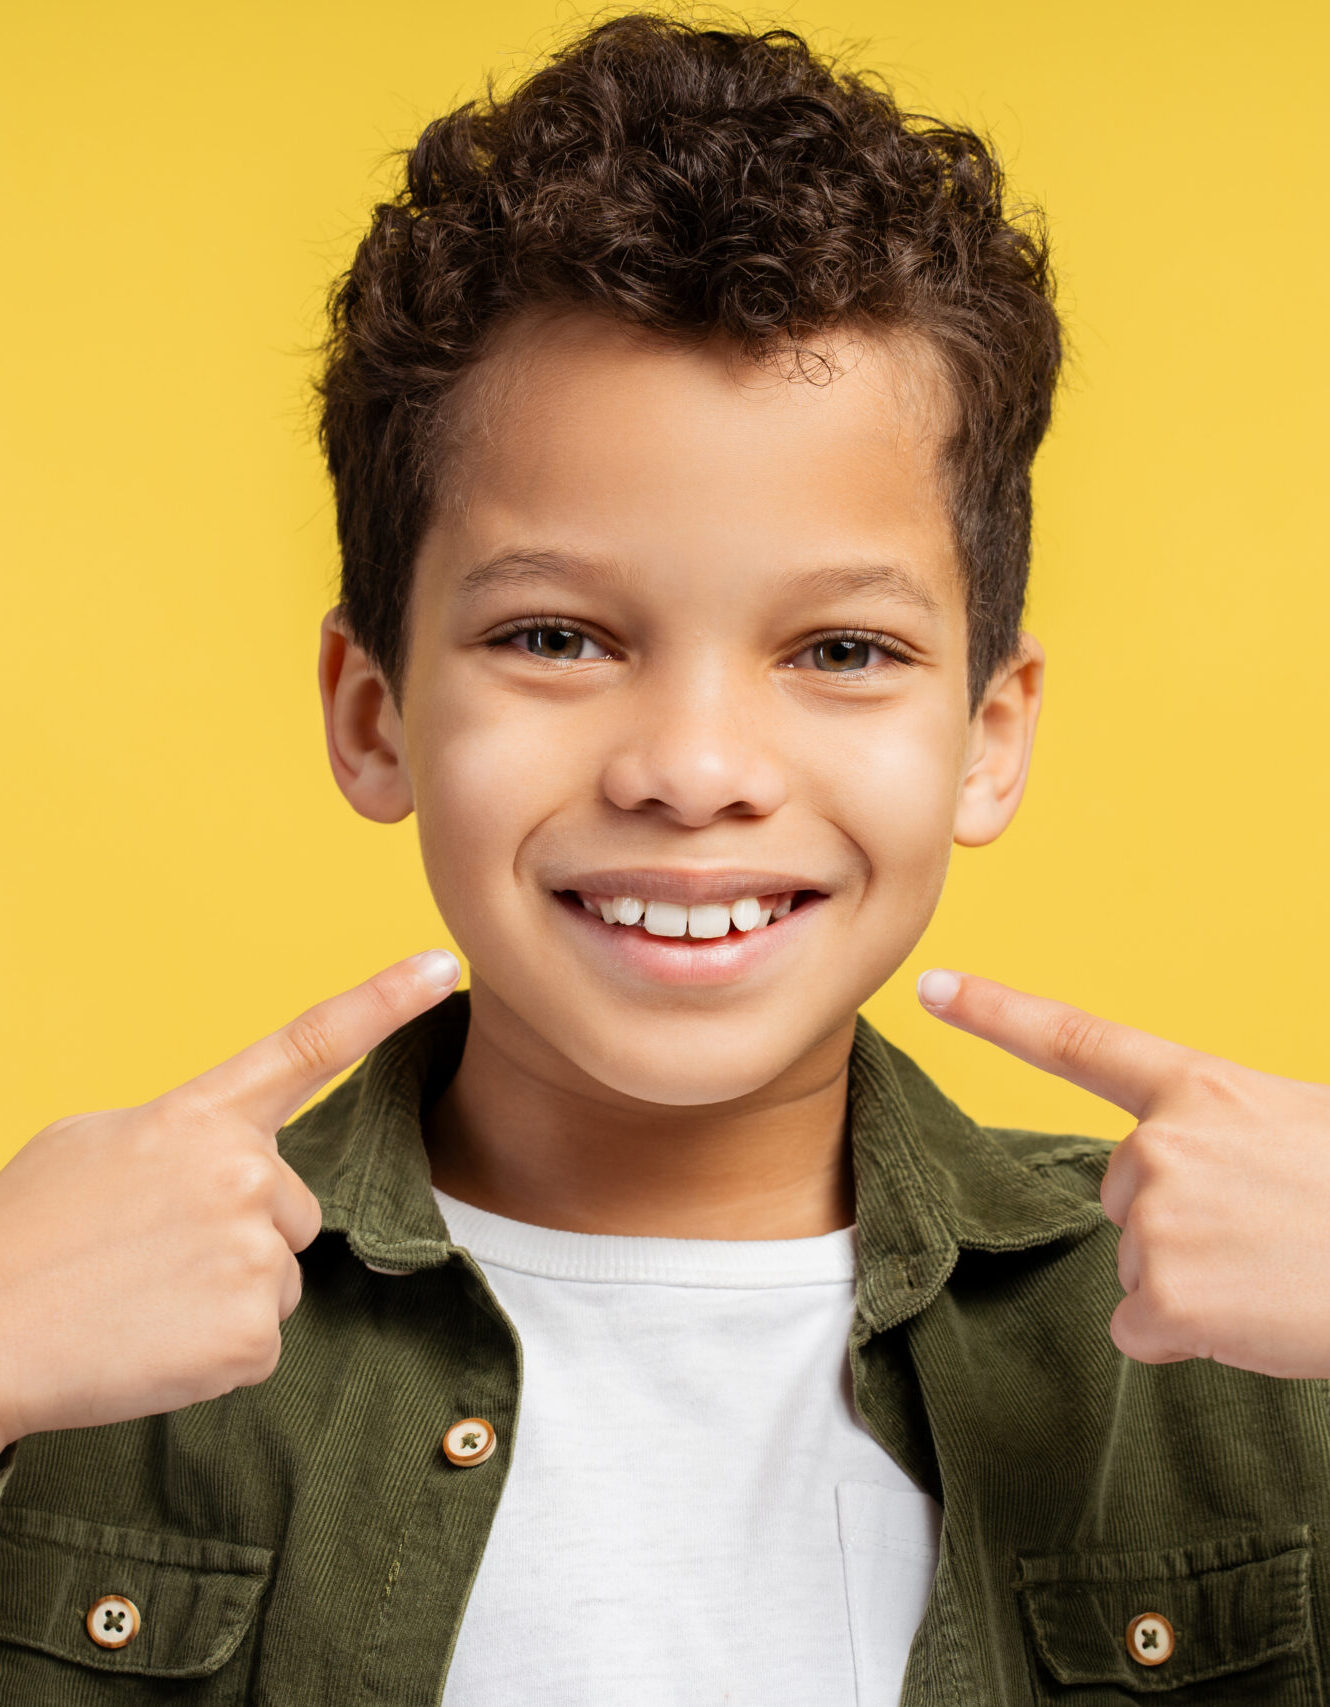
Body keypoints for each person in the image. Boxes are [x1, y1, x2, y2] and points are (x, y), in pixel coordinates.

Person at [3, 13, 1328, 1703]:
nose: (694, 772)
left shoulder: (1243, 1345)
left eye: (840, 650)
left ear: (986, 735)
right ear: (372, 713)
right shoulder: (77, 1324)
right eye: (555, 636)